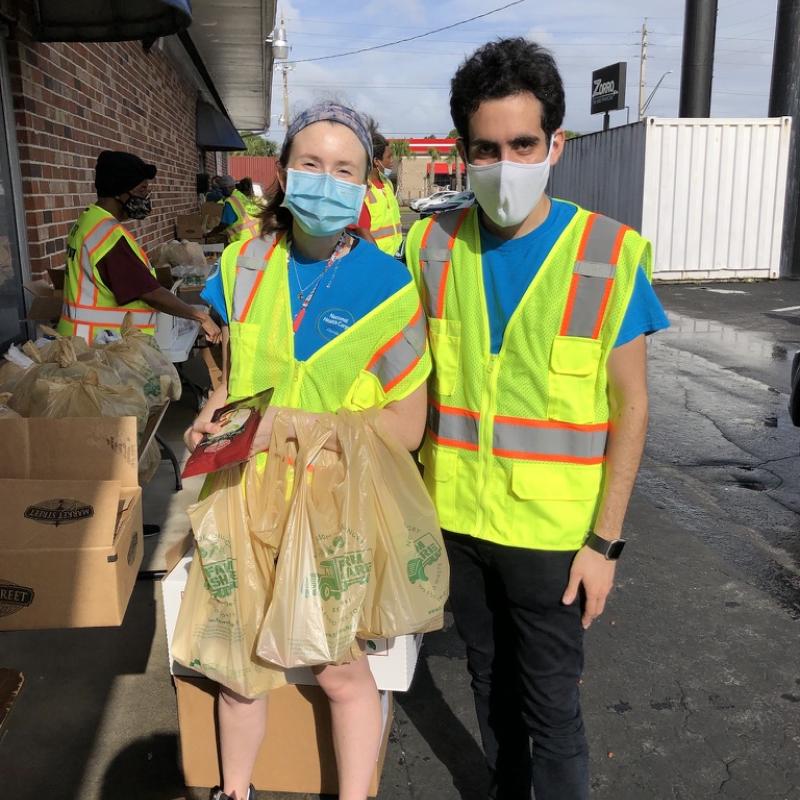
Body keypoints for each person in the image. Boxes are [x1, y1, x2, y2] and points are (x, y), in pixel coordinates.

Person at [404, 38, 669, 800]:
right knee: (490, 685)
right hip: (457, 522)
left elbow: (633, 406)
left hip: (556, 540)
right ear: (463, 151)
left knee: (552, 709)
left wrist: (605, 544)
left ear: (557, 143)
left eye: (524, 144)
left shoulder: (607, 253)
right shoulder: (429, 244)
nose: (506, 163)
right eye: (487, 148)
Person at [184, 102, 431, 800]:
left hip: (331, 504)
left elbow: (406, 427)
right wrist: (213, 415)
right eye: (312, 164)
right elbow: (231, 379)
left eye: (344, 168)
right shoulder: (242, 262)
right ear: (286, 171)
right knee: (235, 666)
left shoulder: (389, 288)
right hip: (238, 493)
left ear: (367, 183)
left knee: (338, 670)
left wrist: (292, 429)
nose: (326, 180)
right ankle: (234, 791)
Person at [57, 150, 221, 344]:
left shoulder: (88, 221)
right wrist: (201, 316)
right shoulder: (107, 236)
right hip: (99, 346)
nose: (147, 198)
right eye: (142, 190)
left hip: (81, 338)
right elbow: (150, 293)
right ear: (120, 191)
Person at [355, 124, 402, 256]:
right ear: (376, 161)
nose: (392, 161)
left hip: (397, 255)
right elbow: (363, 232)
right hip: (377, 258)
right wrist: (380, 261)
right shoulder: (362, 188)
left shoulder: (387, 183)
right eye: (389, 157)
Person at [209, 174, 260, 243]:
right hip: (255, 236)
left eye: (222, 189)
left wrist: (211, 233)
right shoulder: (241, 196)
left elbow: (224, 224)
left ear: (227, 188)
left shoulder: (231, 201)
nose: (221, 192)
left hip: (242, 240)